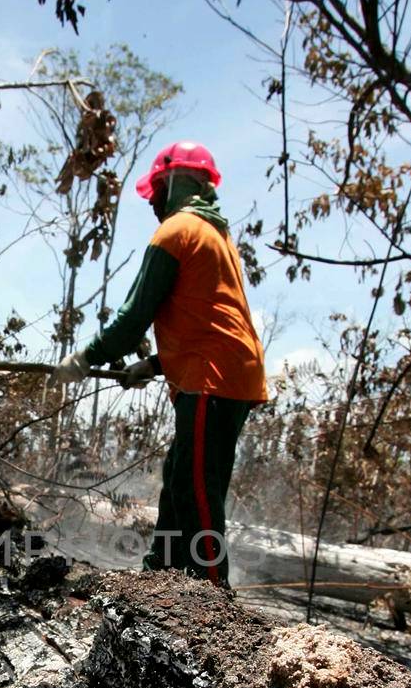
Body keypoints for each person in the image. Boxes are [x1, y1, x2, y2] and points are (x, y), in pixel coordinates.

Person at [53, 141, 267, 584]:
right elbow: (205, 318)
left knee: (197, 493)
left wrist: (84, 358)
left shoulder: (178, 231)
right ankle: (160, 579)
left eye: (154, 191)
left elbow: (134, 317)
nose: (152, 201)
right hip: (220, 371)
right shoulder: (217, 236)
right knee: (179, 478)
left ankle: (214, 602)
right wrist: (153, 365)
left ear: (171, 181)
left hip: (214, 378)